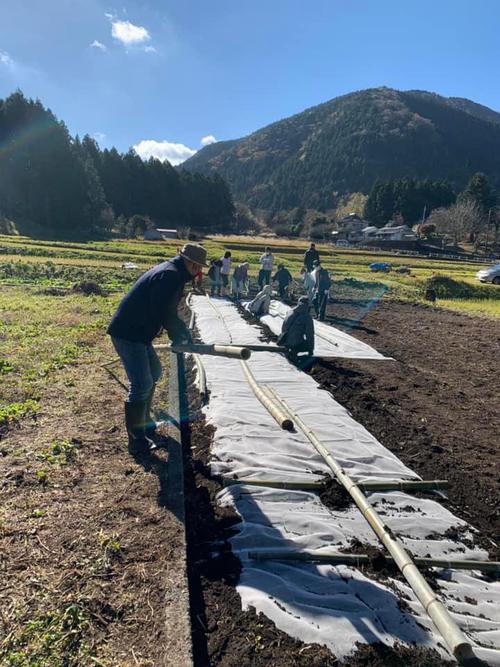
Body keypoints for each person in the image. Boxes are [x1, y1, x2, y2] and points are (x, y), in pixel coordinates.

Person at [108, 243, 207, 455]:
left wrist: (179, 332)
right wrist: (179, 334)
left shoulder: (173, 272)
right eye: (198, 267)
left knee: (155, 373)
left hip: (139, 333)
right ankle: (137, 440)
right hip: (129, 333)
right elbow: (165, 311)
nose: (199, 272)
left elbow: (165, 311)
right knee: (142, 383)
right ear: (191, 263)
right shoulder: (170, 276)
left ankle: (145, 423)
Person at [277, 296, 315, 363]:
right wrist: (311, 349)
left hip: (283, 340)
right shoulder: (307, 317)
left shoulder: (290, 312)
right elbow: (310, 335)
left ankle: (289, 348)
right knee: (308, 343)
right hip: (294, 342)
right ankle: (294, 351)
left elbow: (284, 327)